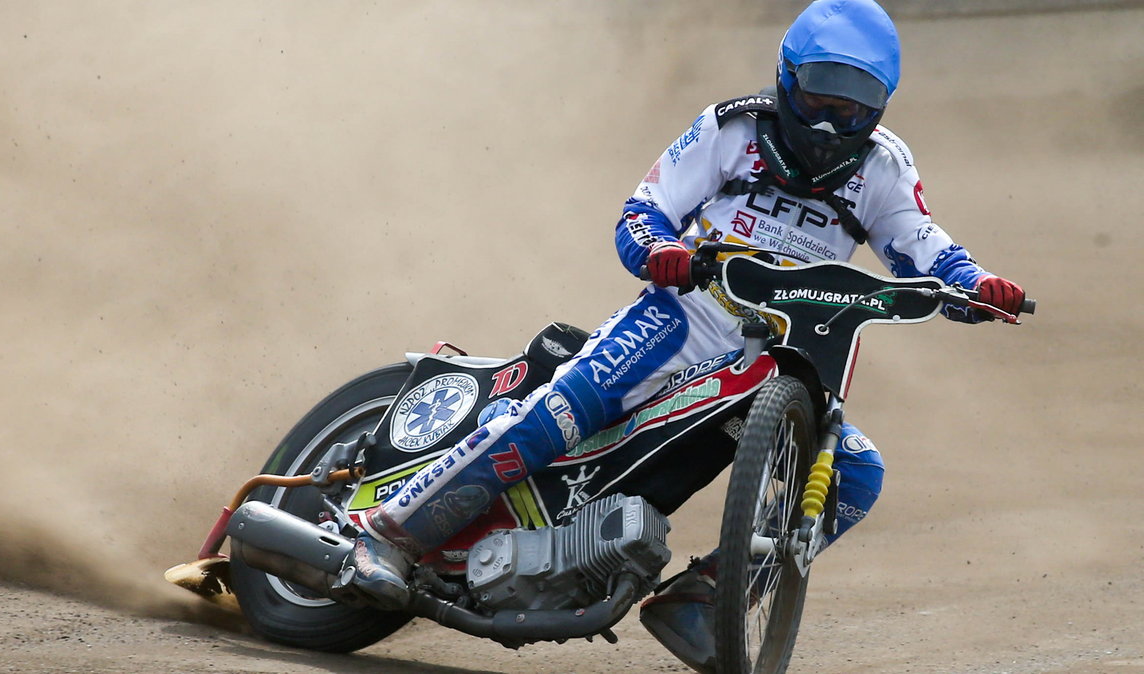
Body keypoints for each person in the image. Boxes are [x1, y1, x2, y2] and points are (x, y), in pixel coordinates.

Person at [345, 0, 1025, 665]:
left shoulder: (884, 166)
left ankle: (706, 597)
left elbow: (933, 255)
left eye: (853, 105)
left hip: (794, 354)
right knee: (555, 415)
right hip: (680, 319)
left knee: (857, 474)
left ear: (880, 105)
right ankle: (387, 536)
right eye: (820, 96)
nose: (830, 120)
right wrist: (662, 252)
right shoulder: (730, 128)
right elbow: (643, 212)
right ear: (787, 77)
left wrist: (979, 290)